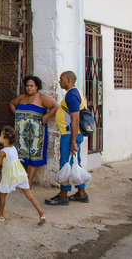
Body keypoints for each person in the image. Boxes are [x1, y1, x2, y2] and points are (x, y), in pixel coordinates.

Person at [0, 125, 46, 224]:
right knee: (29, 195)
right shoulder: (13, 148)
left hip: (9, 176)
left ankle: (0, 215)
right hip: (20, 174)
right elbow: (7, 162)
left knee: (2, 195)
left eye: (1, 135)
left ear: (6, 140)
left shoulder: (2, 152)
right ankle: (42, 214)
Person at [45, 71, 89, 206]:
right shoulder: (73, 93)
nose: (59, 81)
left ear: (69, 80)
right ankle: (82, 193)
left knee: (65, 164)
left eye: (61, 79)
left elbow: (75, 120)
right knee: (74, 163)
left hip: (70, 134)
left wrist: (73, 142)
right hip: (70, 134)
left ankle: (63, 195)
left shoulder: (72, 95)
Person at [9, 76, 58, 188]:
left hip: (37, 134)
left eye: (31, 86)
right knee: (20, 154)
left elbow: (55, 107)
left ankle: (29, 182)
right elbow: (12, 103)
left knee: (33, 157)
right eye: (27, 86)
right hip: (21, 134)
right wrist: (17, 115)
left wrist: (46, 117)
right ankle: (20, 180)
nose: (29, 88)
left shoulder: (42, 98)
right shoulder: (21, 97)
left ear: (37, 87)